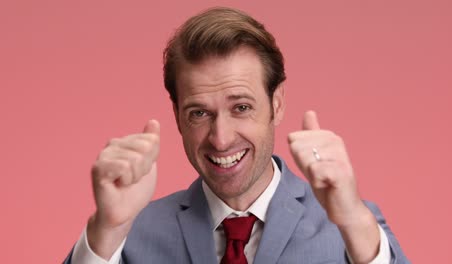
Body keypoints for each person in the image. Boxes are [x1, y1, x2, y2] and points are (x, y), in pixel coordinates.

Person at [64, 7, 409, 264]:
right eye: (199, 113)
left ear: (276, 104)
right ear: (177, 118)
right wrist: (107, 229)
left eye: (241, 107)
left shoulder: (351, 224)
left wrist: (352, 219)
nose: (221, 138)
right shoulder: (128, 231)